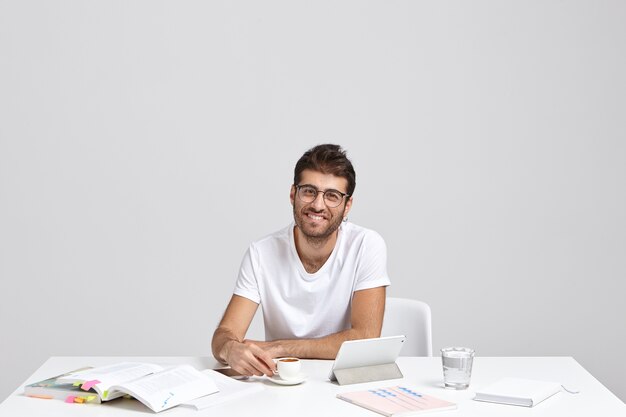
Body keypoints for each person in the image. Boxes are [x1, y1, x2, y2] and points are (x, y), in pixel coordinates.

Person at [211, 144, 390, 377]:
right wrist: (231, 349)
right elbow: (224, 334)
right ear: (293, 195)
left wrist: (280, 347)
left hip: (340, 380)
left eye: (332, 196)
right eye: (309, 191)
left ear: (347, 206)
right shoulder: (261, 253)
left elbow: (365, 338)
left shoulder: (366, 245)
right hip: (280, 380)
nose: (317, 204)